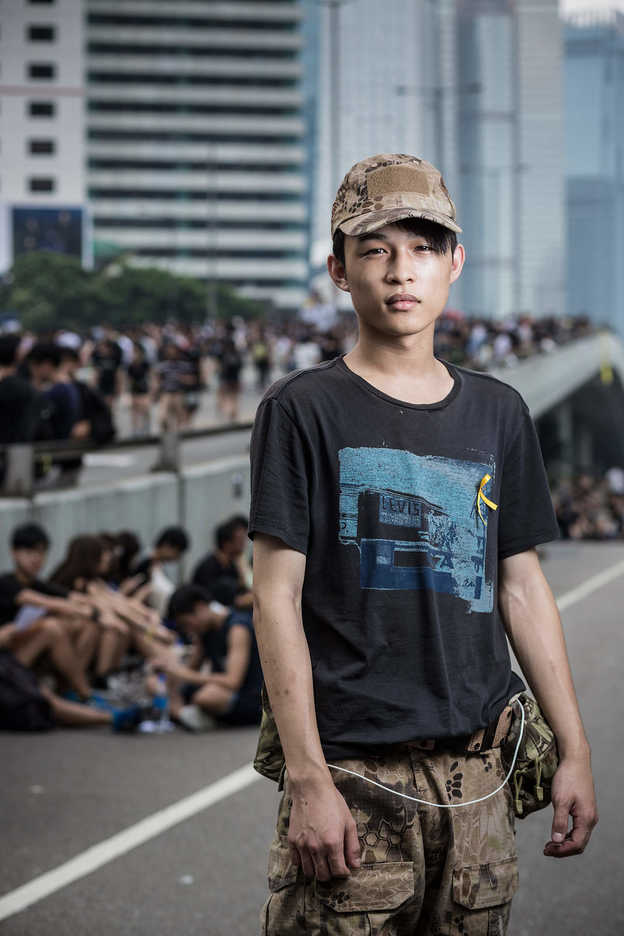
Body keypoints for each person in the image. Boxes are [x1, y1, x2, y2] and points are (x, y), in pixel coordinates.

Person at [248, 154, 598, 934]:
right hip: (353, 778)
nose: (400, 272)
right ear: (339, 270)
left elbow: (521, 587)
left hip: (479, 779)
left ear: (454, 263)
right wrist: (306, 779)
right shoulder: (302, 410)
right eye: (374, 251)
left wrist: (573, 748)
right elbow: (274, 595)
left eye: (422, 248)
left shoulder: (499, 412)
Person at [156, 584, 262, 732]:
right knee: (161, 685)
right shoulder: (205, 632)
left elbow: (233, 681)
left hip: (249, 696)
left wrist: (182, 673)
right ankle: (187, 715)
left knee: (207, 696)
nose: (188, 630)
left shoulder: (237, 627)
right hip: (224, 690)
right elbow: (189, 670)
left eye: (187, 623)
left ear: (200, 607)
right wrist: (171, 669)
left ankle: (189, 716)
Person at [192, 516, 252, 611]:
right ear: (226, 543)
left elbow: (247, 588)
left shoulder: (234, 565)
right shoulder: (208, 567)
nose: (244, 544)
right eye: (240, 540)